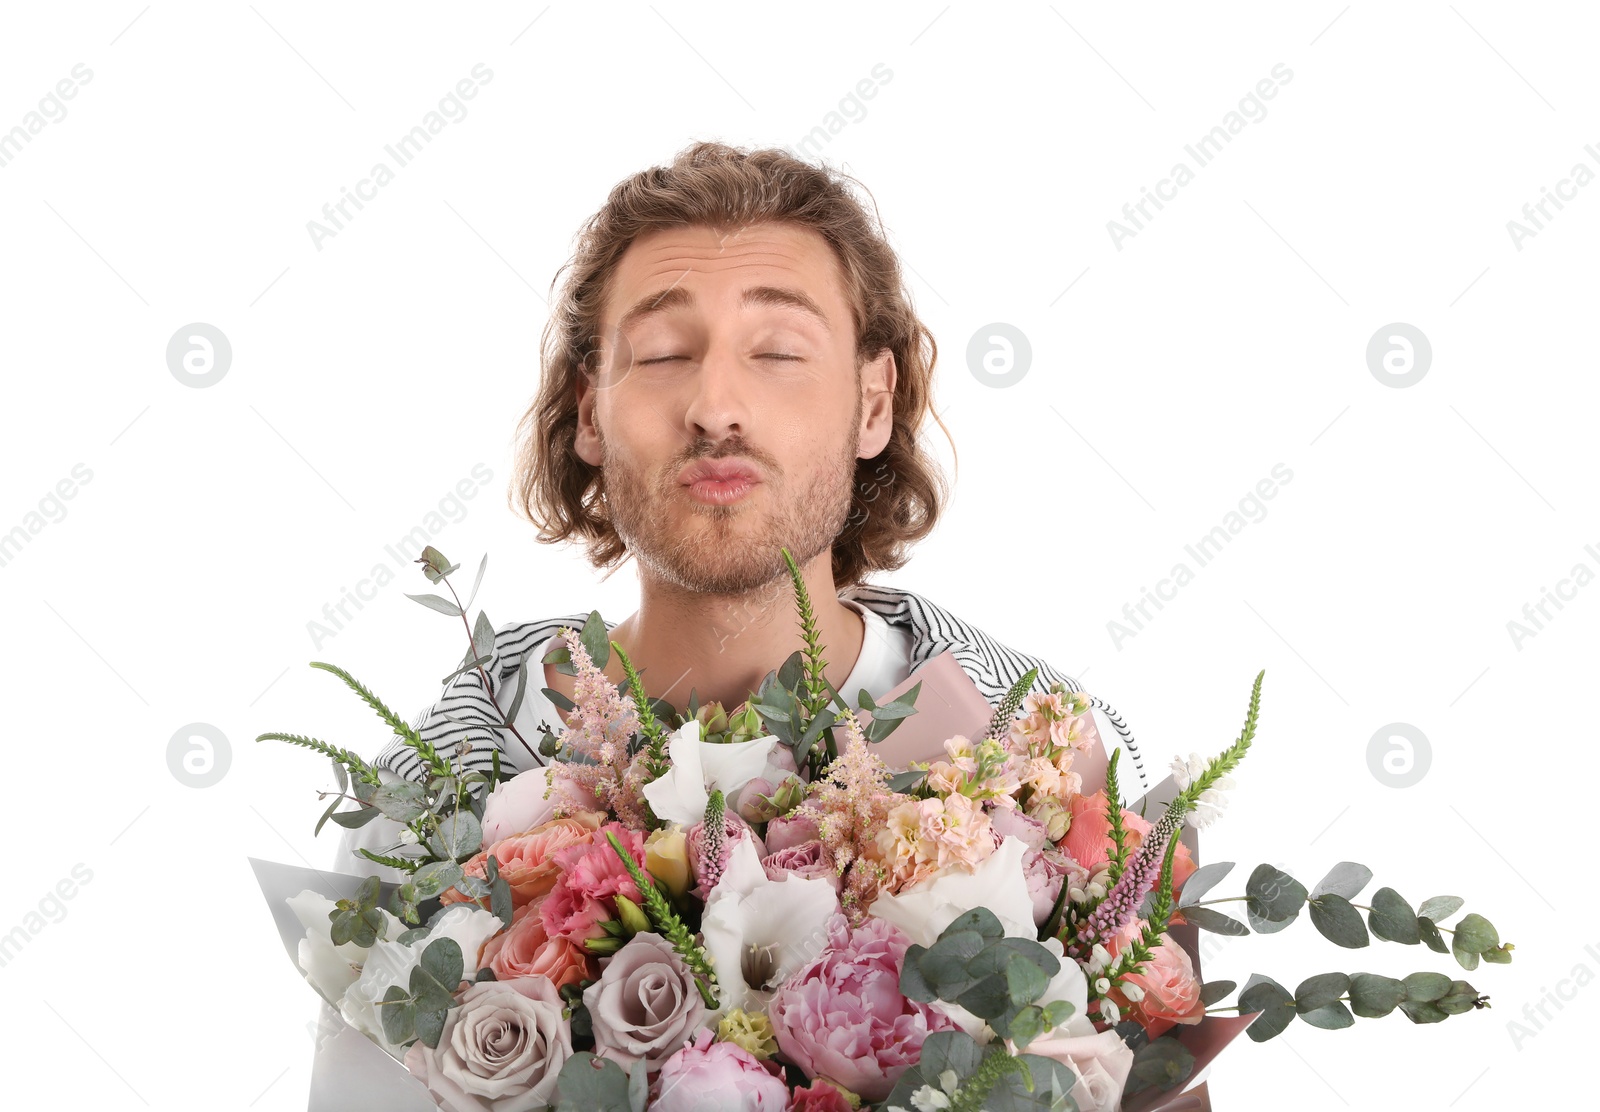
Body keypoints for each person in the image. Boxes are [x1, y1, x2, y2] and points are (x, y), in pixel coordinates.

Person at [334, 141, 1148, 879]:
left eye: (779, 352)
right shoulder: (442, 779)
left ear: (872, 405)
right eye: (660, 354)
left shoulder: (1048, 757)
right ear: (590, 413)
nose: (716, 407)